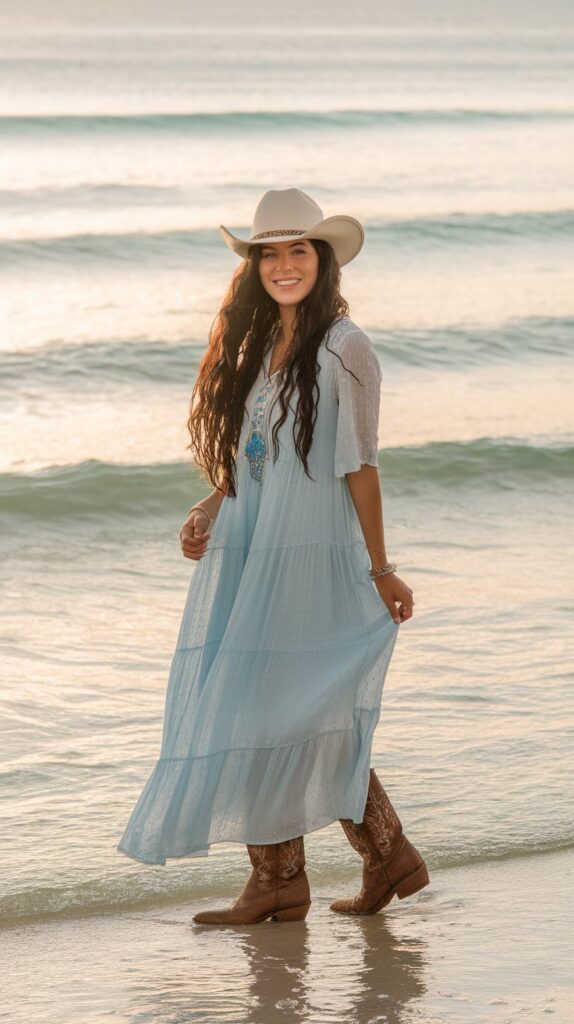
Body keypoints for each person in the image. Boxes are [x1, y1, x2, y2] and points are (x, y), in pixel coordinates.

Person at [116, 187, 429, 925]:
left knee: (282, 710)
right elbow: (255, 456)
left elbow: (361, 464)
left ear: (321, 260)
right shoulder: (260, 343)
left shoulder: (344, 346)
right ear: (254, 266)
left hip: (306, 555)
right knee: (265, 708)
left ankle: (336, 864)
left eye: (299, 251)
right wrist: (212, 506)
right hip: (253, 546)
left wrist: (380, 568)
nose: (285, 265)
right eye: (271, 254)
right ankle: (317, 869)